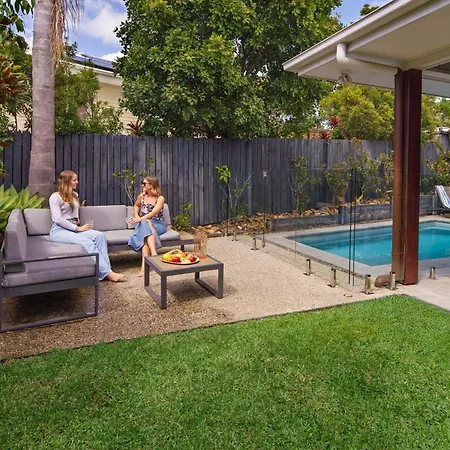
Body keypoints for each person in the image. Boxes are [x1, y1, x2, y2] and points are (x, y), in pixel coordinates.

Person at [49, 170, 125, 282]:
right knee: (87, 242)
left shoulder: (75, 195)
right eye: (74, 180)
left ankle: (106, 270)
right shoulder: (55, 197)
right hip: (59, 231)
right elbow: (58, 219)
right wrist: (78, 228)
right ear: (67, 181)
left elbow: (74, 213)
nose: (77, 182)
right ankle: (108, 273)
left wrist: (77, 220)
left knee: (99, 236)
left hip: (74, 227)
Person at [128, 176, 167, 277]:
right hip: (143, 223)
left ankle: (144, 267)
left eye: (144, 183)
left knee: (146, 224)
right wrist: (137, 216)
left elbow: (154, 213)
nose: (142, 185)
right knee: (145, 232)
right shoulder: (141, 197)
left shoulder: (160, 198)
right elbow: (136, 205)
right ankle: (153, 255)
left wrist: (140, 219)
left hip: (158, 224)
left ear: (151, 185)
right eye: (142, 183)